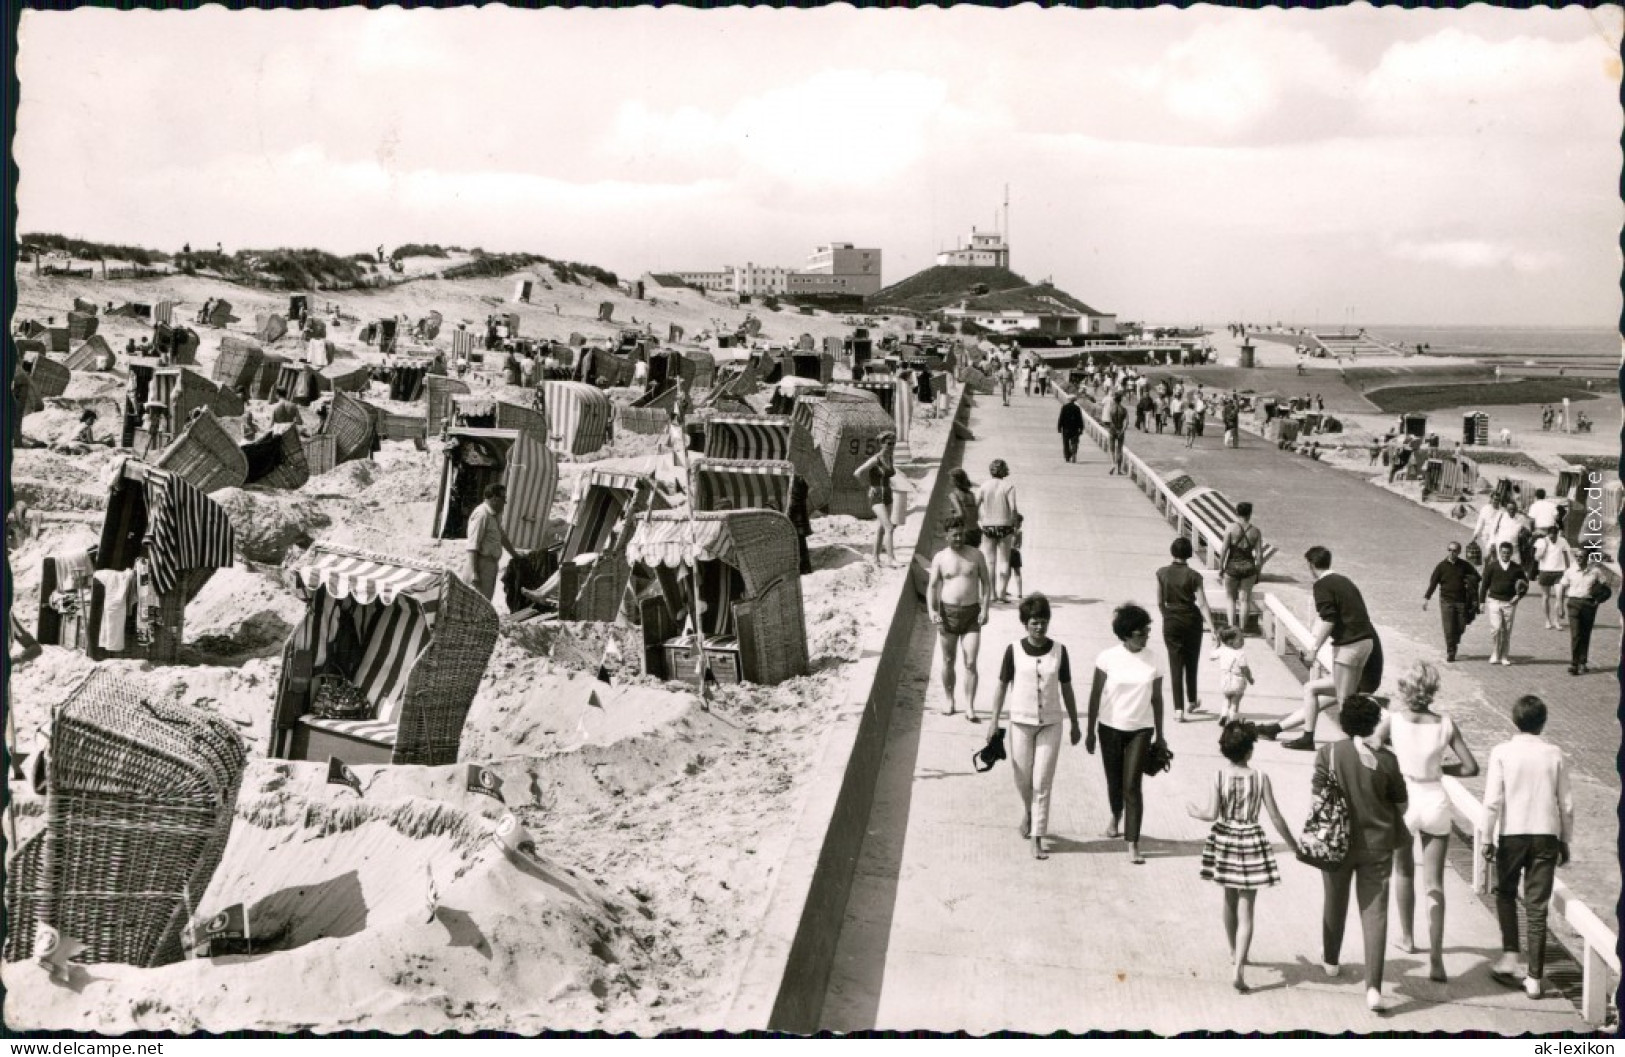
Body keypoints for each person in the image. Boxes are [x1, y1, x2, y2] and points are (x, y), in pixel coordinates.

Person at [1370, 662, 1479, 983]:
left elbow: (1372, 749)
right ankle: (1436, 958)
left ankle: (1407, 937)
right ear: (1432, 690)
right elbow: (1471, 768)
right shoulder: (1446, 724)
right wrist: (1443, 771)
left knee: (1403, 871)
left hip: (1404, 799)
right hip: (1434, 798)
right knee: (1434, 884)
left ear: (1405, 689)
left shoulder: (1392, 721)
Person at [1187, 722, 1300, 993]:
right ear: (1249, 751)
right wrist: (1294, 845)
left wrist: (1194, 811)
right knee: (1247, 906)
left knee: (1228, 897)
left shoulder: (1218, 776)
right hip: (1250, 838)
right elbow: (1276, 817)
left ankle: (1233, 950)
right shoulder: (1261, 778)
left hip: (1225, 838)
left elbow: (1210, 813)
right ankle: (1240, 964)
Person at [1315, 695, 1409, 1013]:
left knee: (1334, 900)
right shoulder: (1387, 759)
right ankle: (1373, 988)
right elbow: (1401, 804)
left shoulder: (1327, 754)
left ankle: (1331, 960)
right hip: (1378, 844)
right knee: (1376, 915)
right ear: (1373, 724)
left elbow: (1318, 797)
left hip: (1336, 842)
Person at [1483, 695, 1574, 999]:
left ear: (1514, 719)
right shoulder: (1555, 754)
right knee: (1537, 908)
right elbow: (1567, 805)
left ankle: (1510, 955)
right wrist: (1565, 840)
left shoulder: (1502, 752)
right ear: (1543, 722)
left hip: (1513, 834)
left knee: (1505, 893)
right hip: (1545, 835)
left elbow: (1493, 801)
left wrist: (1486, 837)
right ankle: (1535, 978)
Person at [985, 594, 1082, 860]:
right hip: (1020, 722)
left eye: (1043, 622)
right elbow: (1002, 685)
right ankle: (1029, 811)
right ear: (1025, 624)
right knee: (1022, 778)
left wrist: (1074, 722)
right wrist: (993, 720)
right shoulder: (1013, 650)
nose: (1040, 628)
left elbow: (1067, 688)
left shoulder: (1060, 651)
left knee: (1042, 781)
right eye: (1034, 623)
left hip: (1051, 723)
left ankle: (1037, 837)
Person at [1258, 547, 1376, 751]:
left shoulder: (1322, 585)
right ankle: (1300, 734)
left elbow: (1329, 619)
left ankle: (1349, 750)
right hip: (1366, 643)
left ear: (1311, 565)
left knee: (1345, 703)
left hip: (1349, 646)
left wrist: (1314, 649)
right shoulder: (1344, 580)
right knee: (1315, 689)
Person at [1085, 602, 1167, 865]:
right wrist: (1089, 731)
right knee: (1114, 782)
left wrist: (1161, 734)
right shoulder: (1107, 657)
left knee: (1132, 785)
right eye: (1140, 632)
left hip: (1140, 730)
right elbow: (1095, 695)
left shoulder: (1154, 659)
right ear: (1126, 634)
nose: (1146, 636)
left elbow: (1157, 699)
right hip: (1109, 728)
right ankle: (1115, 814)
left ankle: (1133, 842)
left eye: (1147, 631)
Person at [927, 517, 992, 721]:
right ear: (946, 535)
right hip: (948, 614)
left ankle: (970, 706)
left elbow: (986, 584)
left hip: (972, 614)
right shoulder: (940, 558)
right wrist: (932, 609)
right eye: (954, 535)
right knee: (948, 660)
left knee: (971, 662)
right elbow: (932, 586)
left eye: (961, 534)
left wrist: (985, 609)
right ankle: (949, 699)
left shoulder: (976, 555)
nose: (958, 538)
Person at [1155, 536, 1217, 722]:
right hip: (1192, 620)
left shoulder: (1161, 573)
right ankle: (1191, 701)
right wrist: (1213, 629)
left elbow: (1159, 601)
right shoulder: (1194, 576)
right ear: (1189, 554)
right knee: (1192, 661)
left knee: (1175, 664)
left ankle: (1178, 710)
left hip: (1172, 620)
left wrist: (1167, 615)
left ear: (1172, 552)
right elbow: (1203, 603)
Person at [1422, 541, 1480, 662]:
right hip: (1446, 601)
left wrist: (1469, 582)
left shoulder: (1464, 565)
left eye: (1454, 550)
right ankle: (1451, 651)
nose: (1451, 552)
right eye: (1449, 550)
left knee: (1461, 625)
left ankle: (1454, 640)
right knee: (1449, 628)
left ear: (1459, 552)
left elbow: (1477, 577)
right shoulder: (1441, 566)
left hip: (1461, 601)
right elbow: (1433, 583)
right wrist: (1426, 598)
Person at [464, 482, 520, 602]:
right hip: (480, 564)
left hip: (491, 564)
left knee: (486, 601)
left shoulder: (494, 515)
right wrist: (474, 572)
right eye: (503, 499)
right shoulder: (481, 514)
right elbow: (472, 545)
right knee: (477, 602)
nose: (504, 503)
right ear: (494, 498)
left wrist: (515, 555)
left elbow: (502, 537)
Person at [1558, 551, 1608, 675]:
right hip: (1573, 604)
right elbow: (1562, 588)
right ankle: (1574, 664)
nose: (1579, 559)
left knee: (1585, 634)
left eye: (1582, 556)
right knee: (1576, 635)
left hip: (1589, 605)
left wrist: (1598, 600)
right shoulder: (1570, 571)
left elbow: (1605, 587)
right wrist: (1560, 606)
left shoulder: (1595, 571)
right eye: (1577, 556)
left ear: (1587, 558)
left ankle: (1583, 663)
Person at [1479, 540, 1529, 666]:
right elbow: (1484, 585)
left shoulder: (1517, 568)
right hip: (1494, 601)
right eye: (1503, 553)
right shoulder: (1492, 566)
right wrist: (1481, 602)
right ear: (1499, 553)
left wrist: (1519, 596)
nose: (1505, 555)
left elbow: (1525, 584)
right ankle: (1495, 653)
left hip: (1509, 603)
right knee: (1495, 629)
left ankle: (1504, 656)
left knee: (1506, 630)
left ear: (1511, 553)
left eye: (1508, 553)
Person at [1217, 502, 1264, 635]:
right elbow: (1259, 555)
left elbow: (1224, 549)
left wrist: (1221, 567)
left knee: (1230, 598)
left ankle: (1232, 628)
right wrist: (1258, 573)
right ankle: (1242, 630)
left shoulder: (1231, 528)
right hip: (1249, 568)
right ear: (1250, 513)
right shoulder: (1255, 531)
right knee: (1245, 600)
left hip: (1232, 567)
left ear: (1236, 512)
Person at [976, 460, 1019, 602]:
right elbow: (1013, 509)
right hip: (1005, 526)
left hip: (988, 526)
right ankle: (1002, 593)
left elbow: (975, 507)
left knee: (990, 562)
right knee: (1005, 560)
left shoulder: (983, 486)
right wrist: (1016, 526)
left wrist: (980, 522)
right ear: (1004, 471)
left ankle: (992, 594)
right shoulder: (1009, 487)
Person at [855, 432, 898, 565]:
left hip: (888, 495)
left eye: (893, 444)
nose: (891, 447)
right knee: (889, 527)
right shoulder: (876, 459)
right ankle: (891, 559)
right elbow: (857, 473)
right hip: (877, 496)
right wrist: (868, 487)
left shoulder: (890, 457)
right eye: (889, 444)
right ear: (882, 444)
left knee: (881, 528)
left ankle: (875, 557)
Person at [1210, 625, 1254, 727]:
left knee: (1226, 698)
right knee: (1235, 701)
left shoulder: (1222, 650)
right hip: (1237, 681)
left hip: (1224, 680)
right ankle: (1232, 720)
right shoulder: (1240, 654)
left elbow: (1212, 656)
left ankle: (1224, 714)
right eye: (1240, 639)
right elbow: (1245, 669)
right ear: (1231, 642)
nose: (1243, 640)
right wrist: (1250, 678)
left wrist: (1216, 644)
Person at [1531, 525, 1573, 630]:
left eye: (1554, 537)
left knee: (1559, 596)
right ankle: (1547, 620)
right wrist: (1542, 552)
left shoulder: (1562, 541)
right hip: (1545, 571)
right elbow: (1536, 557)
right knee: (1546, 597)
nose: (1553, 539)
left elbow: (1567, 556)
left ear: (1557, 534)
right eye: (1551, 537)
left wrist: (1568, 570)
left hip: (1559, 572)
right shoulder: (1542, 541)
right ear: (1548, 534)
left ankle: (1557, 621)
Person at [946, 468, 982, 547]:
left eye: (951, 479)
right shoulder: (971, 494)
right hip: (976, 531)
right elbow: (976, 515)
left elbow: (960, 514)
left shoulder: (954, 495)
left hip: (965, 532)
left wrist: (951, 520)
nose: (949, 481)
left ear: (956, 481)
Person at [1057, 394, 1084, 463]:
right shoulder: (1077, 408)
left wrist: (1059, 427)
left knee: (1066, 443)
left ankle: (1067, 457)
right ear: (1074, 400)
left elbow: (1061, 417)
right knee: (1074, 442)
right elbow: (1080, 419)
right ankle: (1073, 452)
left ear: (1068, 399)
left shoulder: (1064, 407)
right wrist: (1081, 428)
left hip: (1066, 428)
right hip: (1075, 428)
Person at [1107, 392, 1129, 474]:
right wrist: (1122, 431)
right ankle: (1119, 470)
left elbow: (1110, 421)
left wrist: (1115, 429)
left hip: (1112, 430)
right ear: (1121, 400)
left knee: (1112, 449)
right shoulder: (1124, 409)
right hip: (1120, 430)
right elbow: (1127, 423)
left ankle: (1113, 464)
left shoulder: (1111, 409)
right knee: (1119, 450)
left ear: (1114, 400)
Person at [1007, 514, 1026, 600]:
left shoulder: (1008, 531)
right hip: (1015, 553)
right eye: (1020, 522)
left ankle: (1004, 590)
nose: (1020, 524)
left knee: (1008, 573)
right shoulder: (1018, 532)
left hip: (1008, 552)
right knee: (1017, 573)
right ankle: (1020, 593)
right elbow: (1019, 545)